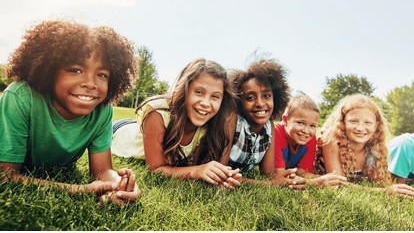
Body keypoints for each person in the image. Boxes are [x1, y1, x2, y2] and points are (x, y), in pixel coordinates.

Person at [0, 19, 141, 205]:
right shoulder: (21, 97)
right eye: (75, 70)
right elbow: (6, 176)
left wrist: (119, 186)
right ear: (50, 70)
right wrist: (77, 190)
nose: (90, 83)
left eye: (101, 75)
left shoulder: (102, 110)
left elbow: (102, 171)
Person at [111, 58, 241, 188]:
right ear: (185, 89)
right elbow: (157, 169)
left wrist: (221, 177)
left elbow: (193, 166)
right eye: (199, 92)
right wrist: (197, 171)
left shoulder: (210, 122)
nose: (206, 103)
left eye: (215, 96)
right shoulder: (157, 112)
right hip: (119, 131)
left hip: (142, 130)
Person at [315, 94, 414, 200]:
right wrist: (383, 192)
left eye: (368, 122)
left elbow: (379, 181)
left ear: (376, 126)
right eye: (353, 121)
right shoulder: (331, 140)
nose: (360, 128)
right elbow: (337, 183)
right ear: (342, 122)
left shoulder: (374, 146)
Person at [223, 58, 307, 189]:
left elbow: (268, 173)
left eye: (266, 96)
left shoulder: (269, 125)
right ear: (238, 101)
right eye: (250, 97)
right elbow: (222, 173)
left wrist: (289, 180)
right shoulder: (232, 120)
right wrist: (269, 184)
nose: (260, 103)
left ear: (276, 97)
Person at [275, 94, 347, 187]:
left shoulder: (310, 139)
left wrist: (328, 178)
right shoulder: (277, 133)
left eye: (312, 126)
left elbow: (302, 172)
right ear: (285, 119)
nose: (306, 131)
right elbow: (279, 176)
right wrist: (317, 182)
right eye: (300, 123)